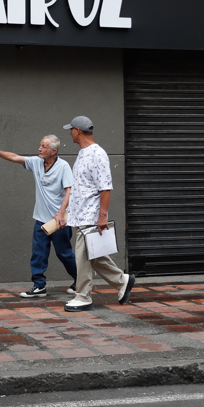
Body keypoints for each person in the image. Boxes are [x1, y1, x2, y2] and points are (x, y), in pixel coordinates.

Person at [0, 134, 77, 298]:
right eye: (40, 145)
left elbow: (70, 190)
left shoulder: (63, 166)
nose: (40, 149)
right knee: (38, 253)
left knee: (64, 253)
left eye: (44, 146)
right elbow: (15, 157)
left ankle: (80, 280)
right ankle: (39, 286)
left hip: (58, 221)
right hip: (41, 219)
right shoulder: (37, 162)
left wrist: (61, 212)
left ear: (53, 151)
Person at [61, 116, 136, 312]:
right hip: (82, 215)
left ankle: (83, 296)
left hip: (91, 216)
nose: (69, 133)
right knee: (94, 257)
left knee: (83, 258)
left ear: (77, 130)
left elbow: (105, 188)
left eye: (71, 130)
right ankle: (123, 280)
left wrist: (102, 215)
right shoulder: (83, 153)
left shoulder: (97, 154)